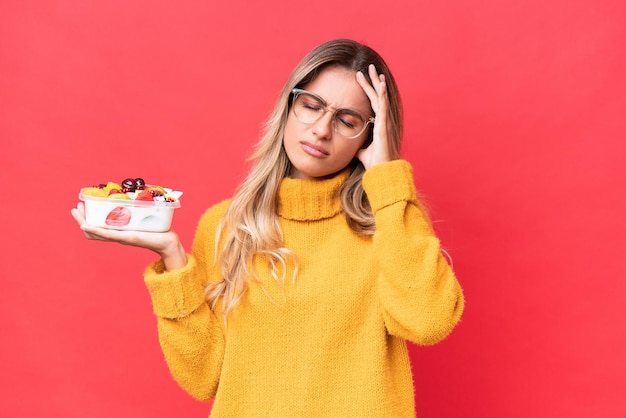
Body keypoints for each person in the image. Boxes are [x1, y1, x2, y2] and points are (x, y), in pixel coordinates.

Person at [71, 38, 464, 417]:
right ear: (289, 107)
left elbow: (427, 322)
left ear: (371, 134)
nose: (322, 129)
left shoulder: (391, 223)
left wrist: (388, 180)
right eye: (311, 105)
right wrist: (173, 260)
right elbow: (201, 378)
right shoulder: (225, 227)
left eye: (348, 120)